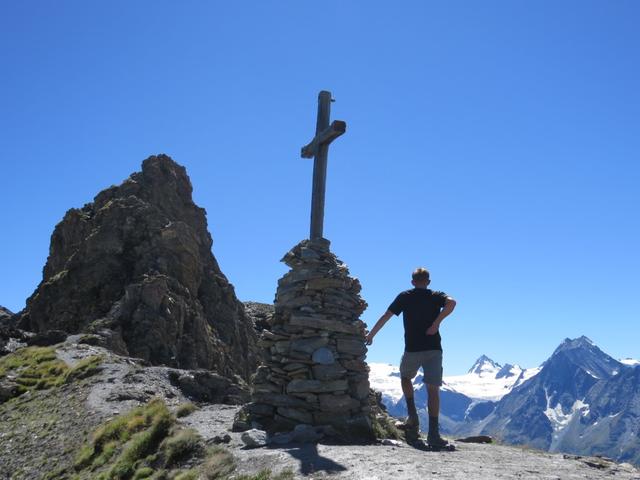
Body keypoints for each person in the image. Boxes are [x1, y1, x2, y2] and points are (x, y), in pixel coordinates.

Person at [365, 267, 456, 447]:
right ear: (428, 282)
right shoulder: (435, 295)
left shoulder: (405, 296)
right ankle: (434, 436)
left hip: (412, 348)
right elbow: (452, 303)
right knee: (433, 390)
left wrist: (371, 335)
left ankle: (413, 416)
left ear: (412, 282)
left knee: (405, 377)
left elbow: (386, 316)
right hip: (433, 348)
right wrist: (436, 324)